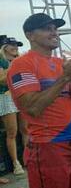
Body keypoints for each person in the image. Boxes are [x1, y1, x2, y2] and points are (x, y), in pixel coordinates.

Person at [7, 13, 71, 188]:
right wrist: (65, 78)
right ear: (29, 35)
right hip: (47, 147)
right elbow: (32, 108)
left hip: (70, 142)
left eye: (55, 29)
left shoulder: (60, 63)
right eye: (46, 29)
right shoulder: (22, 64)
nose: (54, 33)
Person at [0, 36, 27, 176]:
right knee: (12, 132)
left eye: (17, 45)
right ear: (5, 47)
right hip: (6, 97)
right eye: (12, 45)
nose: (16, 47)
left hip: (20, 95)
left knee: (26, 129)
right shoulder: (1, 61)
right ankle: (16, 164)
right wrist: (13, 66)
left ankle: (27, 159)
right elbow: (3, 81)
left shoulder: (20, 59)